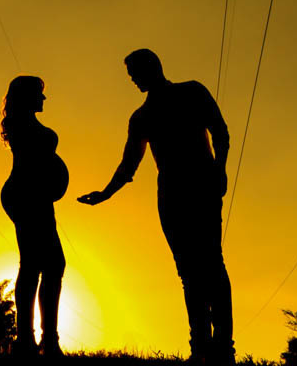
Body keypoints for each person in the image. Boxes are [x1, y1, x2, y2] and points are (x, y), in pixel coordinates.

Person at [77, 48, 234, 366]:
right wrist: (106, 193)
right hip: (172, 196)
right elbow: (130, 162)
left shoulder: (192, 91)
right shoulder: (141, 116)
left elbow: (221, 132)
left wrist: (220, 169)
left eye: (135, 72)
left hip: (202, 186)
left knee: (212, 265)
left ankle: (223, 348)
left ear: (154, 67)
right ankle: (200, 347)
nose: (133, 79)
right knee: (189, 272)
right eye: (130, 75)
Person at [0, 75, 69, 358]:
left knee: (45, 265)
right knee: (38, 265)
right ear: (27, 97)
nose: (44, 99)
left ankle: (37, 339)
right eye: (39, 94)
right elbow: (33, 163)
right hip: (27, 195)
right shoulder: (21, 125)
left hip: (36, 196)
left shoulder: (25, 123)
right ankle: (32, 340)